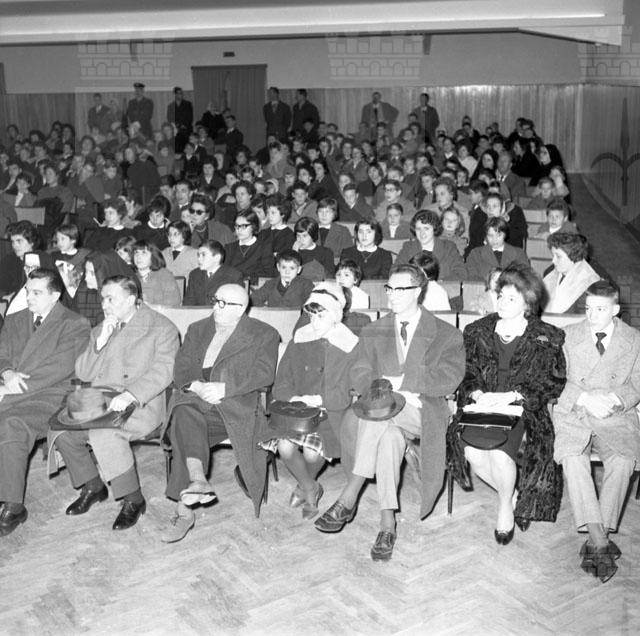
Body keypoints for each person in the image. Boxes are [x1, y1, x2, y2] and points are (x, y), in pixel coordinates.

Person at [315, 264, 465, 561]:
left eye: (400, 289)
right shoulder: (374, 330)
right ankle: (387, 524)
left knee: (377, 418)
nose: (392, 295)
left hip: (423, 411)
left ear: (418, 291)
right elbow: (359, 371)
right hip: (383, 410)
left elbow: (450, 378)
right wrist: (380, 386)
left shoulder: (446, 333)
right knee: (389, 437)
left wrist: (403, 383)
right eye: (389, 289)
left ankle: (349, 496)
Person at [447, 265, 567, 544]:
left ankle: (504, 509)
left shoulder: (546, 336)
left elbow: (553, 381)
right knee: (472, 453)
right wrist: (477, 393)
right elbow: (466, 370)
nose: (501, 302)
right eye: (500, 295)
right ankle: (512, 496)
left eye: (511, 298)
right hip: (482, 405)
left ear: (527, 304)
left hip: (524, 409)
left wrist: (514, 395)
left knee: (500, 456)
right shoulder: (477, 330)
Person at [52, 275, 179, 531]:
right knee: (61, 431)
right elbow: (84, 373)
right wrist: (99, 344)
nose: (104, 305)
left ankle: (133, 499)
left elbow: (165, 371)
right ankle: (93, 485)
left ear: (131, 300)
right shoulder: (102, 328)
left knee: (105, 434)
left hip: (141, 402)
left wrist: (131, 394)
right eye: (103, 299)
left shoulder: (161, 327)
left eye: (111, 299)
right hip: (101, 399)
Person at [160, 284, 280, 542]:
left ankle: (187, 504)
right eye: (215, 300)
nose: (216, 307)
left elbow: (264, 374)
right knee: (184, 413)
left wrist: (226, 388)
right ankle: (196, 484)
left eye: (224, 304)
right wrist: (196, 386)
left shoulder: (264, 334)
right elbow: (181, 368)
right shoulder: (197, 329)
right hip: (194, 399)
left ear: (241, 308)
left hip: (232, 408)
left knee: (183, 426)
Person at [553, 281, 640, 583]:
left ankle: (595, 540)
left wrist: (614, 399)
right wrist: (585, 397)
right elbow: (554, 379)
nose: (591, 315)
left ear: (615, 309)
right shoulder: (567, 336)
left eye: (600, 309)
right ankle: (600, 541)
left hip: (615, 415)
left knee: (623, 461)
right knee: (573, 459)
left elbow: (638, 383)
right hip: (576, 413)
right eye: (588, 308)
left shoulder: (634, 339)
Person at [0, 268, 90, 536]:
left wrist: (7, 391)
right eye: (27, 291)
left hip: (53, 395)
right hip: (14, 388)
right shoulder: (15, 319)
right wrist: (7, 372)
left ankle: (13, 505)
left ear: (55, 295)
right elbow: (2, 353)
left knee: (13, 423)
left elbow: (59, 368)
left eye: (36, 293)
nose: (28, 297)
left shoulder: (75, 323)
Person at [260, 283, 359, 519]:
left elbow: (346, 392)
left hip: (330, 411)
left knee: (312, 454)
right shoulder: (301, 339)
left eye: (321, 315)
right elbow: (283, 379)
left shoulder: (349, 344)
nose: (314, 322)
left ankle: (305, 486)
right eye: (311, 315)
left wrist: (319, 399)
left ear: (335, 315)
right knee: (284, 447)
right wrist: (294, 398)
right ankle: (310, 487)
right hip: (296, 410)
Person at [396, 210, 467, 280]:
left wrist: (440, 283)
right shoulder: (408, 248)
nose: (422, 233)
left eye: (426, 229)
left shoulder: (448, 247)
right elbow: (395, 272)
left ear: (434, 229)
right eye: (418, 229)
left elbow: (461, 273)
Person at [543, 233, 600, 314]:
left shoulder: (589, 284)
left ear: (573, 256)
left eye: (558, 256)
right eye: (553, 256)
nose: (553, 261)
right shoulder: (551, 273)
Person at [465, 218, 529, 281]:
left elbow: (526, 277)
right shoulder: (475, 254)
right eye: (490, 235)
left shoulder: (518, 253)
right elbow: (471, 278)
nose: (494, 239)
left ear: (505, 235)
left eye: (499, 235)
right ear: (486, 236)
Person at [225, 210, 275, 282]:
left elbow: (268, 274)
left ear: (253, 227)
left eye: (244, 226)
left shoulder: (264, 248)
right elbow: (224, 273)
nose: (239, 230)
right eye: (237, 226)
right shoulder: (229, 248)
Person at [132, 240, 181, 306]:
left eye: (144, 253)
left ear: (153, 256)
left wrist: (151, 307)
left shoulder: (164, 274)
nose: (138, 257)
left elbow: (174, 302)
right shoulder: (129, 275)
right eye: (136, 253)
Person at [167, 87, 193, 154]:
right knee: (177, 150)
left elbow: (190, 118)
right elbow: (169, 118)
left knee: (187, 149)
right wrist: (176, 127)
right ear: (175, 94)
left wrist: (181, 126)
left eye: (181, 93)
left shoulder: (188, 104)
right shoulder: (170, 106)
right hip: (175, 131)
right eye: (178, 93)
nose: (180, 95)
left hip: (186, 130)